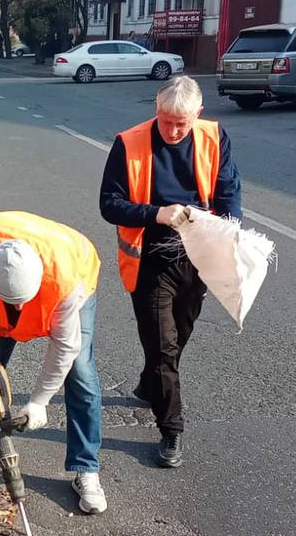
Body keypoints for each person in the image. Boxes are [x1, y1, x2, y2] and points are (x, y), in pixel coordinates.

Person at [99, 75, 242, 468]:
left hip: (197, 256)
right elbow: (109, 204)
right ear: (156, 111)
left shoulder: (215, 138)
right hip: (150, 259)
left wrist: (228, 235)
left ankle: (150, 384)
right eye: (167, 122)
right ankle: (171, 429)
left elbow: (229, 193)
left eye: (183, 123)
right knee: (162, 346)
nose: (175, 131)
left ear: (198, 113)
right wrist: (155, 214)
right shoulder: (129, 143)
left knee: (177, 337)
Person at [0, 211, 107, 514]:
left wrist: (39, 402)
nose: (19, 308)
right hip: (10, 277)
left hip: (76, 267)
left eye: (23, 300)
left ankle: (86, 467)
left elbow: (65, 347)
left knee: (80, 372)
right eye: (12, 301)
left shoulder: (65, 281)